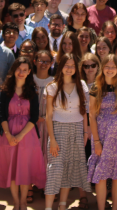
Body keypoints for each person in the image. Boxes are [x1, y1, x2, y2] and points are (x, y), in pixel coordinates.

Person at [0, 57, 47, 208]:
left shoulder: (33, 92)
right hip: (8, 134)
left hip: (27, 136)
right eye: (19, 69)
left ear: (29, 72)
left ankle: (23, 202)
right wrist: (9, 135)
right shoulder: (5, 90)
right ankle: (16, 202)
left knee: (25, 169)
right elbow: (1, 114)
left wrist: (20, 136)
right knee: (11, 168)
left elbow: (35, 116)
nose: (21, 72)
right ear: (14, 70)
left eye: (25, 70)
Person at [45, 53, 92, 210]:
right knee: (55, 168)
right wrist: (52, 138)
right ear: (61, 66)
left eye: (72, 66)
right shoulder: (52, 87)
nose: (69, 68)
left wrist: (85, 132)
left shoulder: (82, 85)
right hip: (58, 129)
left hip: (77, 129)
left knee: (69, 168)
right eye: (66, 65)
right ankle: (48, 207)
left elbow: (84, 111)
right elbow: (49, 115)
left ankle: (62, 205)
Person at [88, 54, 117, 210]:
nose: (110, 69)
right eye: (107, 66)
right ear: (102, 68)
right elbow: (92, 115)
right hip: (101, 135)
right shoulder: (96, 87)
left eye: (113, 67)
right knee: (101, 174)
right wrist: (96, 141)